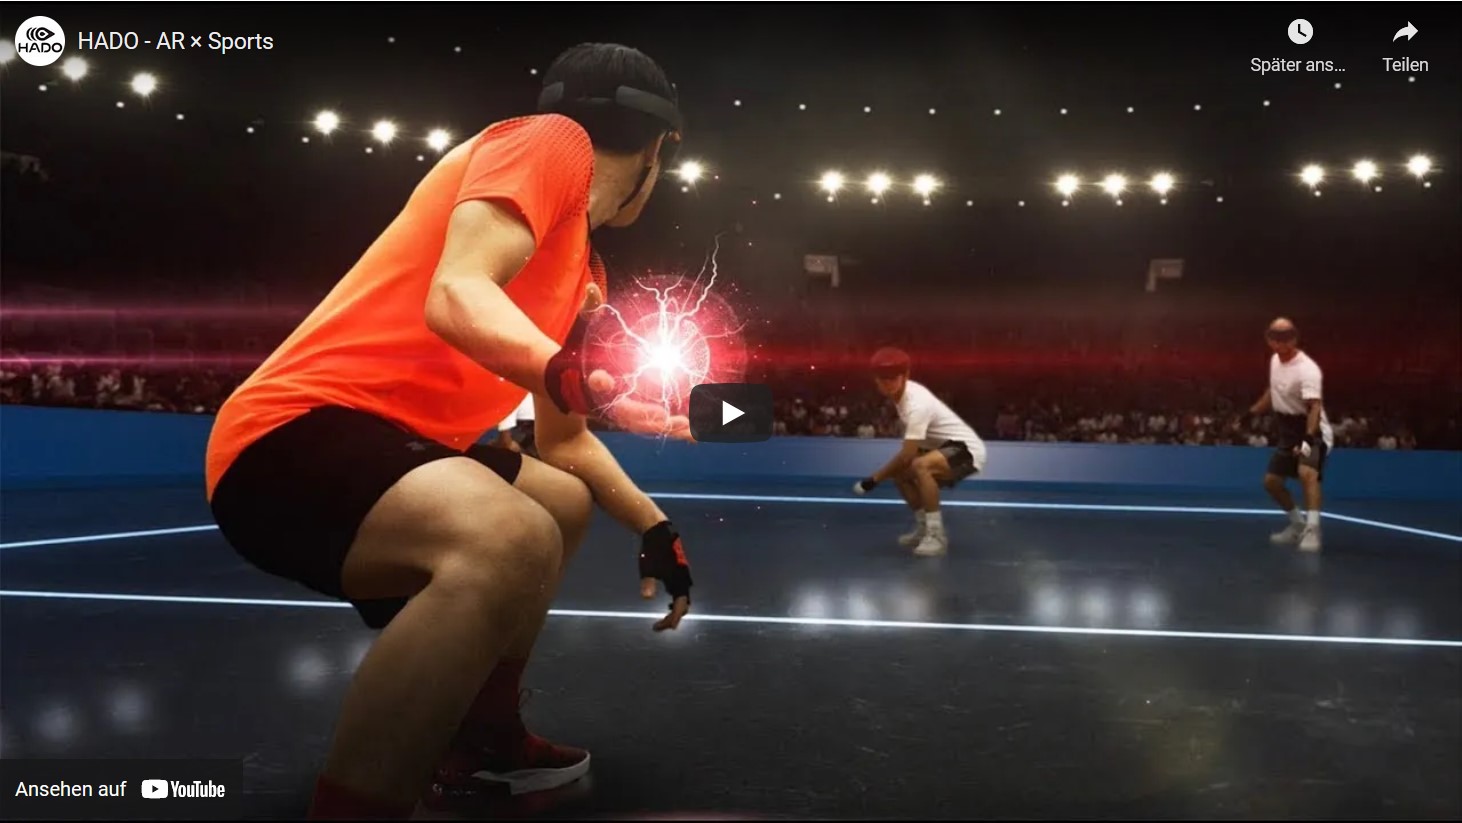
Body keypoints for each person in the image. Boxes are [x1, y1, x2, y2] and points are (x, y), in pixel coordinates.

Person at [204, 43, 695, 819]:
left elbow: (564, 443)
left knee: (561, 501)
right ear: (657, 149)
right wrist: (563, 370)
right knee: (511, 535)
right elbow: (457, 290)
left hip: (395, 449)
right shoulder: (551, 141)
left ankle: (484, 741)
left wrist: (654, 525)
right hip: (290, 435)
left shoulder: (584, 274)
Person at [851, 347, 986, 556]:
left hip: (967, 449)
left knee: (920, 466)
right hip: (942, 447)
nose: (887, 383)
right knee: (900, 475)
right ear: (875, 380)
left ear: (905, 376)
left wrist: (872, 481)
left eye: (893, 378)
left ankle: (937, 535)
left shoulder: (917, 404)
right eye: (882, 378)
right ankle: (924, 528)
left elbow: (907, 455)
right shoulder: (900, 398)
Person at [1249, 317, 1333, 552]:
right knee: (1272, 483)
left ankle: (1313, 530)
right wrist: (1251, 412)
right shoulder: (1275, 360)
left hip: (1313, 429)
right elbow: (1272, 390)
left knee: (1307, 473)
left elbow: (1314, 407)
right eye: (1275, 337)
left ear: (1294, 339)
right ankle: (1298, 525)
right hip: (1288, 430)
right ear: (1269, 339)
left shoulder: (1307, 369)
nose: (1280, 342)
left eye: (1285, 338)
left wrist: (1308, 439)